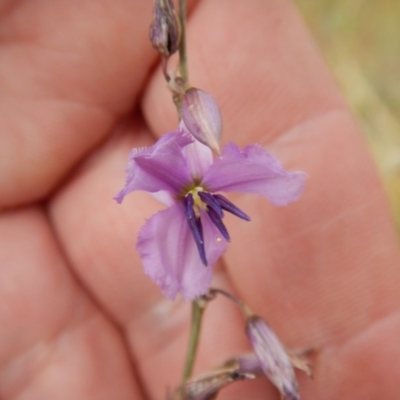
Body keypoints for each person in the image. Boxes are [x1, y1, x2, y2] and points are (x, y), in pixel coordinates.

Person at [0, 1, 399, 399]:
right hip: (184, 187)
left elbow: (271, 177)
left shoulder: (196, 142)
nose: (201, 201)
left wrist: (241, 180)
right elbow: (145, 169)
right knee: (188, 279)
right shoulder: (169, 159)